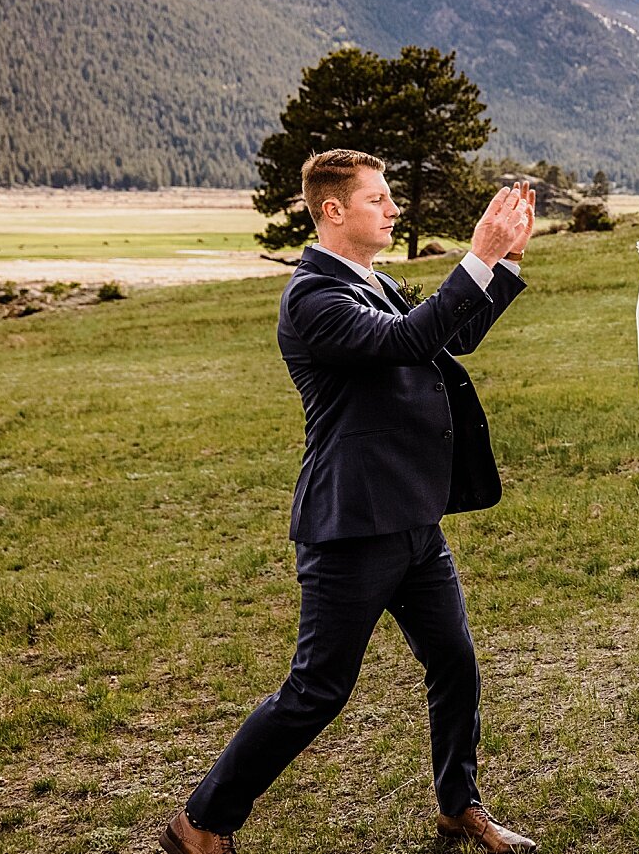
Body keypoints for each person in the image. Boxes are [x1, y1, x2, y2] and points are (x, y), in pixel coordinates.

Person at [162, 150, 539, 854]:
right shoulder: (312, 298)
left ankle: (458, 805)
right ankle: (199, 822)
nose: (393, 209)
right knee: (317, 690)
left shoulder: (374, 280)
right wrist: (475, 255)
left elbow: (450, 335)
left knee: (455, 660)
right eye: (379, 198)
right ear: (333, 210)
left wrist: (505, 261)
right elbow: (406, 340)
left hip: (412, 518)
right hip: (352, 526)